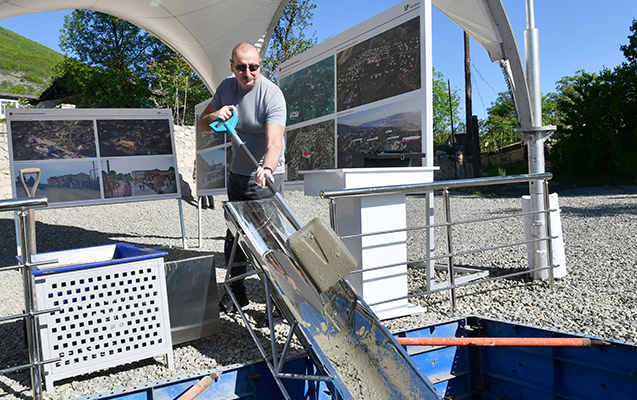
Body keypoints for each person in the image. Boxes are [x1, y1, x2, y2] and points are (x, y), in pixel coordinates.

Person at [199, 42, 286, 312]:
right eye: (241, 67)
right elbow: (203, 121)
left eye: (253, 67)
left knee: (268, 240)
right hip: (237, 174)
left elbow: (275, 143)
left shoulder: (272, 95)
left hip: (263, 176)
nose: (247, 73)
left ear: (260, 64)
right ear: (232, 66)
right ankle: (237, 295)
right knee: (234, 237)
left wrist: (267, 168)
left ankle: (280, 302)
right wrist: (215, 113)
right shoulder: (226, 87)